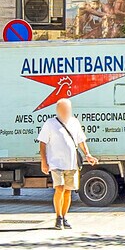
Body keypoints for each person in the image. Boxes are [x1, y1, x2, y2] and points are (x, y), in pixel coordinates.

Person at [37, 97, 95, 230]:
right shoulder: (50, 123)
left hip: (72, 163)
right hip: (56, 163)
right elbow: (42, 143)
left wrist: (88, 154)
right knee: (60, 188)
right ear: (58, 110)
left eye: (68, 109)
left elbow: (81, 140)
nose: (66, 112)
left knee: (68, 191)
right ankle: (58, 217)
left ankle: (64, 216)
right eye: (63, 109)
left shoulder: (74, 122)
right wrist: (44, 161)